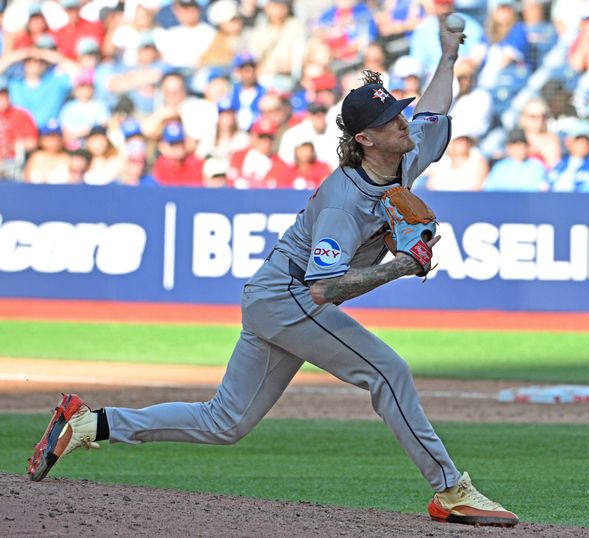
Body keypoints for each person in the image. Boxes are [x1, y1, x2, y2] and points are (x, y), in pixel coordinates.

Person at [27, 17, 519, 528]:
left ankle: (88, 423)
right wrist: (399, 267)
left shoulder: (404, 150)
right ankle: (450, 490)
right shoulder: (343, 204)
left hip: (272, 295)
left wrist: (447, 56)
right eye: (394, 119)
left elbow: (437, 106)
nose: (405, 121)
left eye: (401, 114)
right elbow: (323, 288)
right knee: (387, 372)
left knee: (226, 422)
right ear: (367, 139)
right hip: (292, 297)